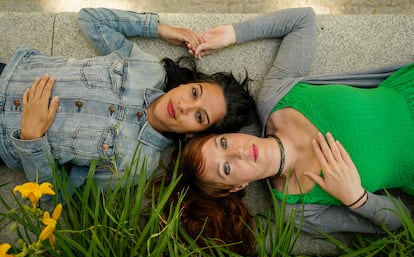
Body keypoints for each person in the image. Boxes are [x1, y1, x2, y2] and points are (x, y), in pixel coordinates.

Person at [172, 7, 414, 250]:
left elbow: (302, 20)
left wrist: (232, 34)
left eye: (223, 143)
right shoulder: (297, 210)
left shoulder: (276, 97)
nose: (238, 152)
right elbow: (400, 220)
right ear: (237, 186)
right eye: (226, 167)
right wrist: (357, 198)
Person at [0, 8, 256, 191]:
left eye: (199, 116)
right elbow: (91, 19)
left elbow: (58, 193)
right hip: (9, 73)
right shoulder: (148, 69)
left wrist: (33, 140)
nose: (183, 106)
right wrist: (158, 28)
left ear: (194, 134)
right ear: (189, 83)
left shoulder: (137, 166)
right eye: (194, 92)